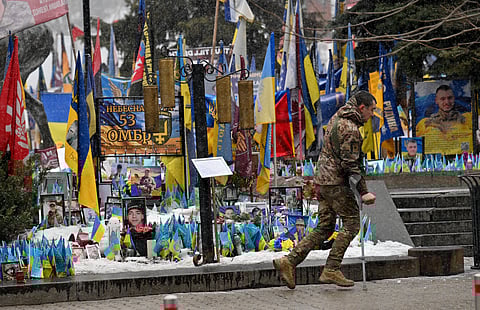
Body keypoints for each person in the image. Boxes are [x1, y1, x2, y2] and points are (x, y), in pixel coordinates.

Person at [273, 90, 377, 289]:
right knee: (352, 224)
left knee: (325, 227)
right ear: (362, 108)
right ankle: (332, 268)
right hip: (336, 183)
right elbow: (350, 164)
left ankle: (289, 261)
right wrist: (363, 192)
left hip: (322, 180)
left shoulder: (337, 118)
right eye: (371, 110)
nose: (372, 114)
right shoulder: (351, 128)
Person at [416, 84, 472, 154]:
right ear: (436, 100)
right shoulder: (425, 124)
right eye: (442, 99)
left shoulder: (467, 119)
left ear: (454, 99)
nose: (447, 102)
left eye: (450, 98)